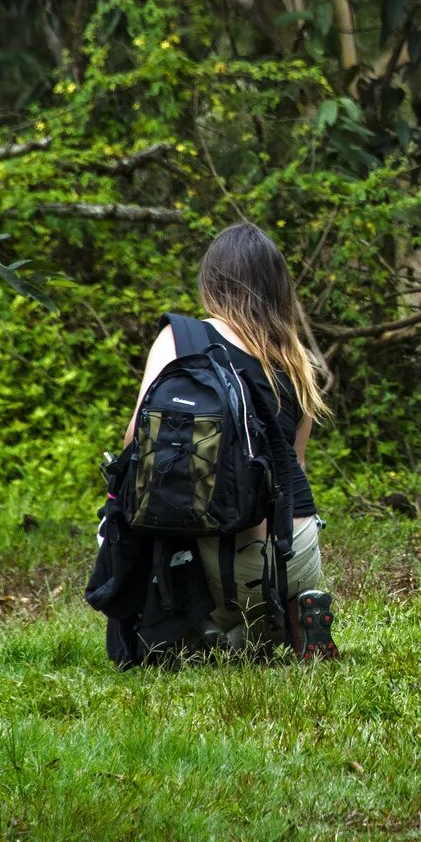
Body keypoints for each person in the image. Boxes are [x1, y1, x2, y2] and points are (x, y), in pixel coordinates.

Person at [124, 221, 336, 658]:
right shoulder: (298, 360)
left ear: (211, 281)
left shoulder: (182, 339)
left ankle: (199, 629)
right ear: (279, 287)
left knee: (138, 507)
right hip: (296, 553)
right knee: (257, 633)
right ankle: (293, 613)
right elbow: (294, 468)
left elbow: (135, 443)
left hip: (224, 559)